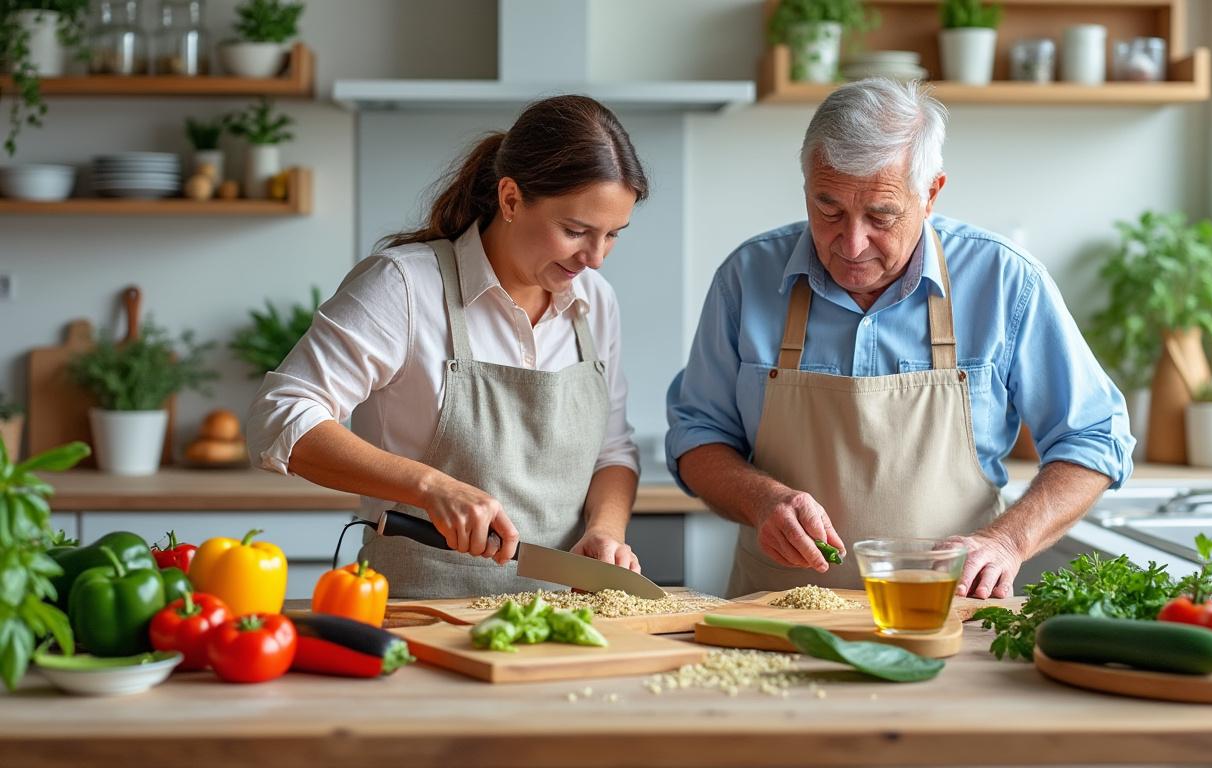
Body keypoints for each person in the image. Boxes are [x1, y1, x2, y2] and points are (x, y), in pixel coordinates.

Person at [666, 79, 1134, 599]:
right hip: (776, 614)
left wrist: (1007, 541)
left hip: (948, 612)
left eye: (880, 216)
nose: (851, 243)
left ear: (930, 193)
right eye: (829, 210)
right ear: (806, 188)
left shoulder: (1005, 281)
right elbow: (696, 438)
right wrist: (761, 500)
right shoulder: (746, 278)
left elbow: (1094, 436)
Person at [247, 95, 648, 597]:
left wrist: (605, 531)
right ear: (510, 199)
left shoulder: (594, 300)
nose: (595, 258)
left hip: (559, 618)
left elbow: (612, 450)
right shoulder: (404, 286)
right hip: (417, 616)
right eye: (575, 231)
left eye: (612, 235)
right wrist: (430, 486)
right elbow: (280, 416)